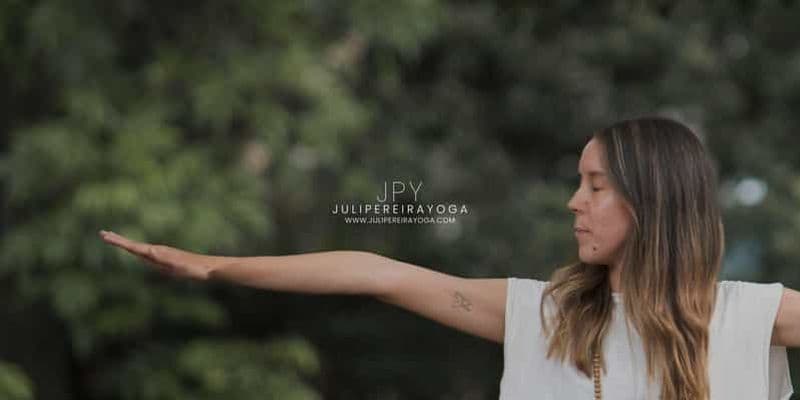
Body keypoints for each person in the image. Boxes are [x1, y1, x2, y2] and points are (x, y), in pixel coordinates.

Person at [99, 116, 799, 400]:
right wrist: (215, 266)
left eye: (594, 185)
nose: (573, 203)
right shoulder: (544, 315)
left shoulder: (749, 315)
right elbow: (378, 273)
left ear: (652, 200)